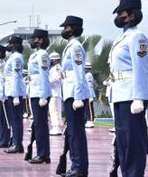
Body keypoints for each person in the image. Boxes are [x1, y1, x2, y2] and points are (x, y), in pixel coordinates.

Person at [110, 0, 148, 176]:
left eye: (121, 14)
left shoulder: (137, 37)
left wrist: (139, 97)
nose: (118, 17)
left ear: (132, 15)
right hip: (119, 94)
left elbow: (140, 68)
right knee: (123, 142)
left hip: (131, 95)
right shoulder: (122, 37)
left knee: (133, 142)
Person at [60, 15, 89, 177]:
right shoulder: (70, 46)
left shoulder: (76, 47)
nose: (64, 30)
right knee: (72, 131)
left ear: (74, 28)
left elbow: (79, 73)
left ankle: (79, 167)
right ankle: (76, 165)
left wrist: (78, 96)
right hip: (69, 93)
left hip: (74, 94)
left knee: (76, 132)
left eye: (66, 27)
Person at [27, 29, 52, 164]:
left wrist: (43, 95)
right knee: (38, 124)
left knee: (41, 125)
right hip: (34, 91)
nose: (32, 41)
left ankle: (43, 154)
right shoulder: (35, 54)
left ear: (41, 40)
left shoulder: (42, 55)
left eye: (35, 38)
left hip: (40, 93)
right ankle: (42, 153)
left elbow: (43, 75)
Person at [3, 35, 26, 154]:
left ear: (15, 45)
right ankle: (16, 142)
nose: (9, 45)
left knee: (16, 119)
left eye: (11, 43)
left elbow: (16, 76)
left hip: (14, 91)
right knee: (14, 119)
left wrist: (16, 95)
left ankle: (17, 143)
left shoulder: (16, 57)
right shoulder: (13, 57)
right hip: (11, 90)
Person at [48, 52, 63, 135]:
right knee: (52, 110)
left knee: (55, 110)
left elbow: (56, 78)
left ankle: (57, 128)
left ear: (54, 60)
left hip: (55, 92)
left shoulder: (57, 68)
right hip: (52, 92)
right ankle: (55, 127)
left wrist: (47, 81)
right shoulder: (53, 68)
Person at [84, 62, 96, 128]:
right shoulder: (86, 75)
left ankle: (90, 120)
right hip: (87, 94)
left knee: (89, 108)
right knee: (87, 108)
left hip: (89, 94)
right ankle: (88, 120)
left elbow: (90, 86)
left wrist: (90, 95)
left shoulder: (88, 75)